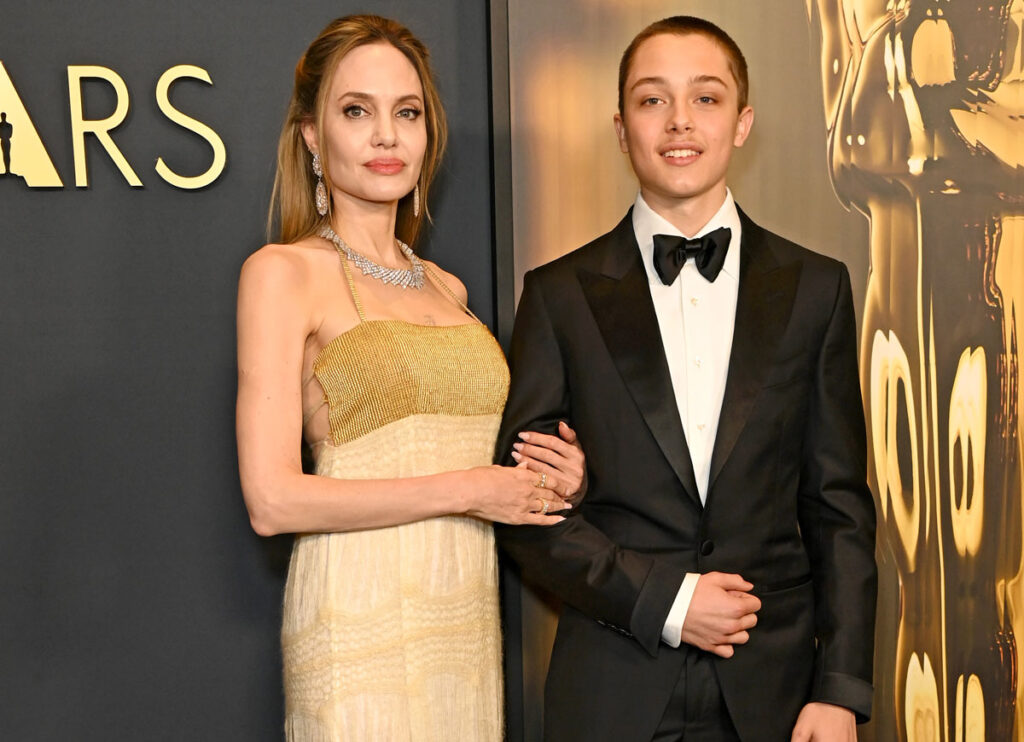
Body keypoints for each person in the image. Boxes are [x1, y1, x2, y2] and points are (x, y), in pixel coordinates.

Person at [495, 15, 877, 742]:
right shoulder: (558, 295)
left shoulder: (817, 289)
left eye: (706, 98)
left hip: (780, 695)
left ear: (742, 123)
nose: (679, 122)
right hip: (613, 686)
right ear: (620, 126)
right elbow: (528, 513)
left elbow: (839, 510)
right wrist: (668, 600)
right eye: (651, 100)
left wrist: (841, 689)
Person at [235, 15, 585, 741]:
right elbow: (272, 500)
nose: (385, 136)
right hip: (355, 618)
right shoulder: (283, 274)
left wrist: (556, 477)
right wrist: (470, 490)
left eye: (407, 112)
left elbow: (485, 463)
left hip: (460, 619)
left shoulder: (447, 289)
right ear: (311, 135)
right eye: (356, 111)